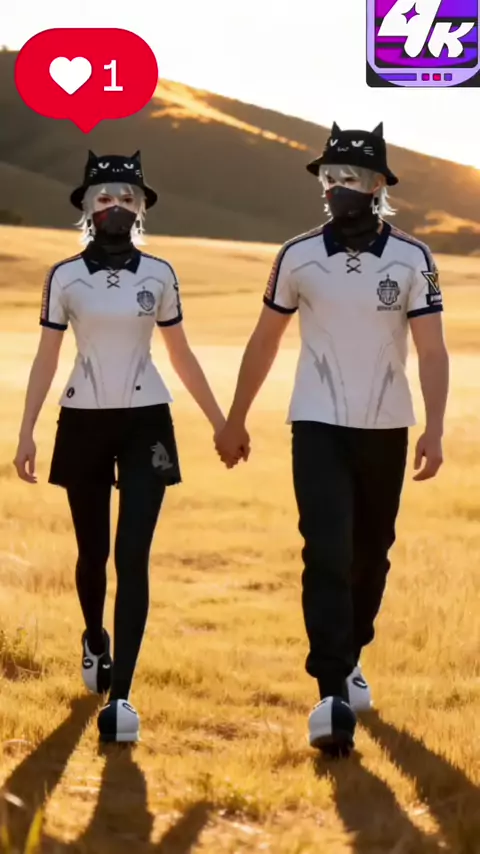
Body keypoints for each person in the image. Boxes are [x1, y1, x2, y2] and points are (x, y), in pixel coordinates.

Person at [215, 122, 449, 757]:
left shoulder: (413, 259)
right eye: (329, 177)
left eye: (350, 177)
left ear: (376, 185)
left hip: (386, 425)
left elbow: (431, 350)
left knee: (371, 554)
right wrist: (235, 418)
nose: (337, 186)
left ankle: (350, 656)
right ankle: (330, 694)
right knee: (325, 550)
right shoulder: (296, 256)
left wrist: (434, 426)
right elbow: (265, 340)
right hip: (316, 423)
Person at [13, 150, 230, 744]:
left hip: (147, 423)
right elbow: (47, 356)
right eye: (104, 197)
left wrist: (220, 421)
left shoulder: (159, 274)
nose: (115, 206)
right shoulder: (64, 277)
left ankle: (123, 697)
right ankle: (94, 638)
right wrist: (27, 429)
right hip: (81, 420)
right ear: (86, 206)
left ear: (141, 209)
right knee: (94, 552)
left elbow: (180, 353)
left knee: (133, 557)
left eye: (127, 198)